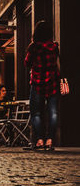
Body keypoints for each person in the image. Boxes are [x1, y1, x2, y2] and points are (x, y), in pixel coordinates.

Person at [25, 20, 60, 151]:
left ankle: (39, 140)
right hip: (53, 83)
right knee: (53, 113)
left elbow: (27, 63)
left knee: (36, 113)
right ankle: (50, 140)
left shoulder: (33, 47)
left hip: (37, 84)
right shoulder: (54, 46)